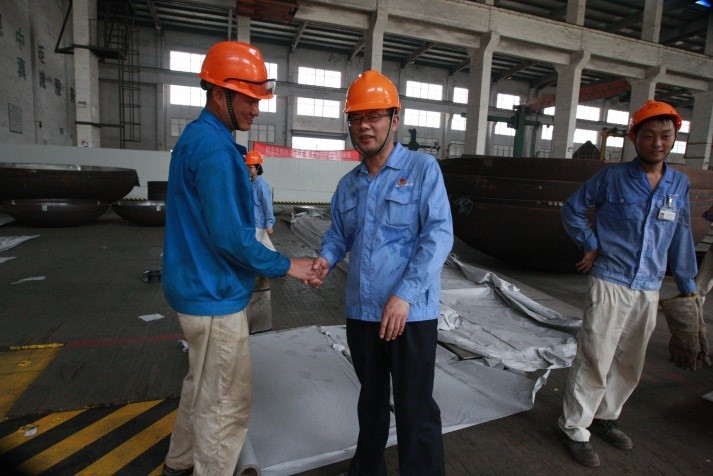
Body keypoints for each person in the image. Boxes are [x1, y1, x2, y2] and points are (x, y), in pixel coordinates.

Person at [161, 41, 319, 476]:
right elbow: (232, 239)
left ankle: (178, 462)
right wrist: (288, 265)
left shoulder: (197, 138)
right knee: (225, 403)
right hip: (213, 294)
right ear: (219, 94)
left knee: (200, 385)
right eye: (248, 98)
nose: (256, 109)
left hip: (192, 287)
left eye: (258, 99)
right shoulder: (215, 151)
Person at [312, 70, 453, 475]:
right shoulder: (349, 184)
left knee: (414, 407)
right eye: (357, 118)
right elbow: (339, 233)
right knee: (370, 400)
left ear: (394, 120)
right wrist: (326, 257)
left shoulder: (423, 170)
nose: (365, 126)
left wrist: (404, 294)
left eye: (374, 116)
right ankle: (367, 469)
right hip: (363, 313)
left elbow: (439, 235)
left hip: (410, 314)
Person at [558, 99, 698, 467]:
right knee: (595, 355)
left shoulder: (679, 184)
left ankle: (605, 417)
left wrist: (687, 285)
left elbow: (681, 234)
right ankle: (574, 427)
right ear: (634, 138)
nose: (657, 143)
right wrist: (590, 243)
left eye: (665, 136)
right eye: (648, 136)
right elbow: (573, 209)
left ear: (674, 138)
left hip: (649, 286)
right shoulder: (611, 178)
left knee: (630, 361)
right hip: (611, 280)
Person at [245, 150, 276, 251]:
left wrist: (269, 224)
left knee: (253, 249)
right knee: (268, 248)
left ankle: (277, 259)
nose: (248, 170)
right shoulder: (251, 183)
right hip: (254, 222)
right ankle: (278, 259)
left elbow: (268, 206)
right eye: (247, 167)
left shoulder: (262, 185)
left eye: (251, 167)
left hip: (258, 224)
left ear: (258, 167)